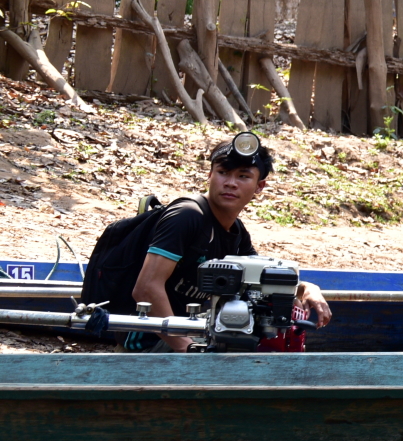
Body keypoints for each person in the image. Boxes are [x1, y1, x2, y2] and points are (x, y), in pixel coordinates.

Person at [122, 133, 331, 352]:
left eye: (243, 176)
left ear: (259, 186)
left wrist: (307, 288)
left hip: (194, 334)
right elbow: (146, 288)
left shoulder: (236, 232)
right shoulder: (186, 216)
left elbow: (263, 281)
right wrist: (189, 348)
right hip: (149, 341)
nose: (231, 183)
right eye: (223, 173)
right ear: (210, 175)